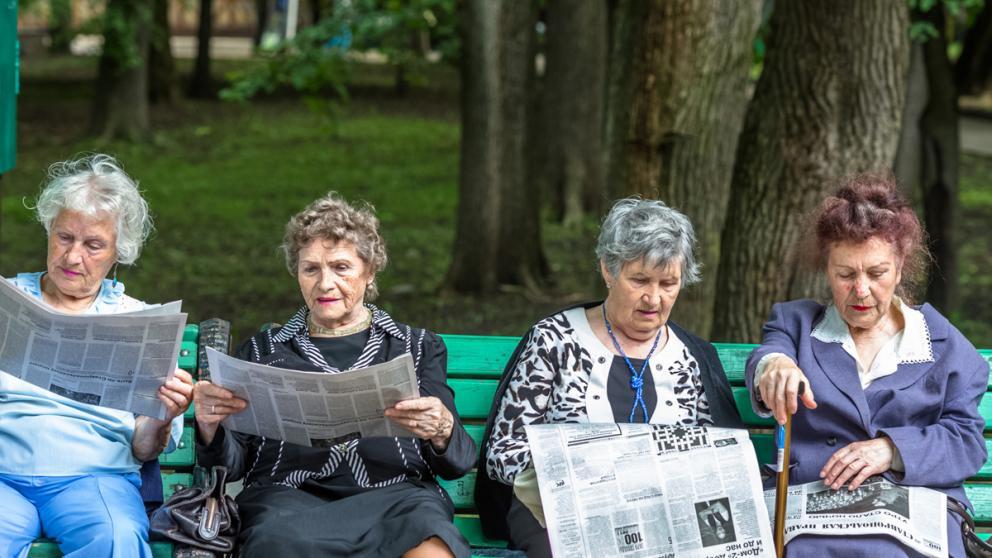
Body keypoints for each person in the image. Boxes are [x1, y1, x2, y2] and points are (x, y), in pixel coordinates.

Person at [194, 192, 476, 558]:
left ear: (369, 271)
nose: (325, 283)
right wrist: (210, 427)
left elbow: (457, 462)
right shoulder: (263, 351)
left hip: (397, 498)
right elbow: (232, 465)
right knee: (275, 541)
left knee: (431, 540)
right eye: (311, 269)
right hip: (288, 499)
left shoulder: (416, 346)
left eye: (341, 267)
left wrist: (441, 429)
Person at [479, 198, 744, 557]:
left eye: (668, 283)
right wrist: (578, 470)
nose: (654, 298)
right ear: (608, 270)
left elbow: (721, 462)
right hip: (561, 516)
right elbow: (503, 453)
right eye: (639, 280)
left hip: (665, 519)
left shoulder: (692, 358)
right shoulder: (555, 340)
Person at [746, 173, 989, 556]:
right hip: (816, 506)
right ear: (826, 269)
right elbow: (770, 353)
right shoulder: (796, 324)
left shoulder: (941, 343)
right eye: (845, 275)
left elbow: (966, 441)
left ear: (900, 266)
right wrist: (774, 365)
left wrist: (892, 450)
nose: (861, 291)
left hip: (913, 503)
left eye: (877, 273)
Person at [0, 154, 194, 558]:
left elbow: (144, 449)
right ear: (49, 230)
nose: (73, 257)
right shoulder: (8, 302)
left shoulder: (138, 323)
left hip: (94, 480)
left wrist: (163, 415)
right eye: (64, 237)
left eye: (93, 245)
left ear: (117, 252)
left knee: (115, 538)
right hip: (3, 477)